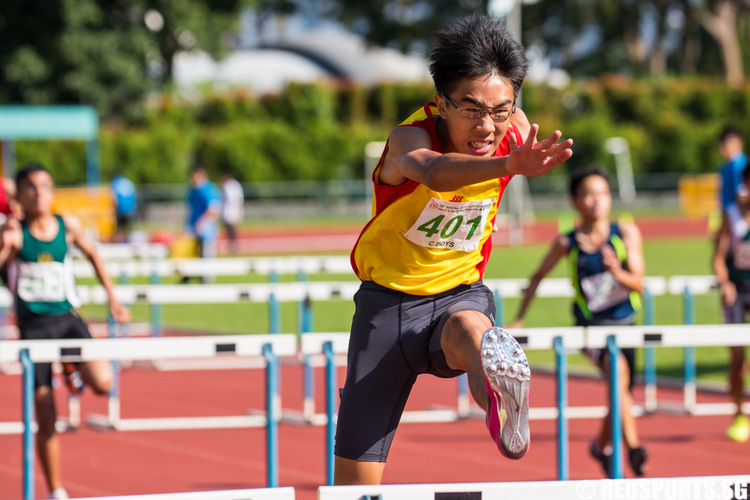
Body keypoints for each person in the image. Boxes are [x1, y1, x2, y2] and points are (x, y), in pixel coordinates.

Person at [335, 15, 574, 485]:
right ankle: (489, 369)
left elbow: (513, 132)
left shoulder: (513, 131)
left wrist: (515, 151)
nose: (488, 126)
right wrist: (508, 163)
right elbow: (434, 171)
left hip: (458, 294)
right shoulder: (410, 138)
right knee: (353, 485)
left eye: (501, 109)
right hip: (384, 312)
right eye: (472, 109)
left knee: (471, 329)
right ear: (440, 103)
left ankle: (498, 389)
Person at [0, 162, 131, 500]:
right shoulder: (14, 233)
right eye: (30, 187)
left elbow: (94, 255)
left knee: (103, 383)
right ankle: (56, 490)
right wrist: (5, 246)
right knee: (46, 415)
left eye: (44, 186)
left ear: (52, 192)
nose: (38, 193)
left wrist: (113, 300)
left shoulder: (67, 226)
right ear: (20, 195)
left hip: (69, 319)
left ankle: (72, 368)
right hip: (34, 327)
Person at [507, 165, 647, 478]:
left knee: (620, 391)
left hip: (626, 325)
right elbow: (538, 276)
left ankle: (600, 446)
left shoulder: (625, 233)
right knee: (618, 375)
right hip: (592, 330)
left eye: (602, 193)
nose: (596, 200)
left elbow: (640, 283)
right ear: (575, 201)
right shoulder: (567, 242)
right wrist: (519, 317)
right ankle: (634, 448)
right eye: (588, 194)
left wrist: (617, 272)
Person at [712, 162, 750, 443]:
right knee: (737, 359)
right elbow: (718, 257)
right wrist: (725, 283)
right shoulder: (732, 214)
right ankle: (739, 414)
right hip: (737, 289)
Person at [183, 163, 221, 282]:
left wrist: (203, 223)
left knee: (206, 259)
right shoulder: (193, 190)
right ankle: (186, 278)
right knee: (189, 256)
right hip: (193, 230)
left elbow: (215, 209)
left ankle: (206, 283)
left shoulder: (209, 189)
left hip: (206, 231)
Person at [718, 126, 748, 211]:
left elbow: (742, 192)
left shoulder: (739, 164)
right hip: (729, 212)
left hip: (737, 214)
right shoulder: (726, 166)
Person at [220, 170, 244, 254]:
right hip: (230, 211)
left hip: (232, 211)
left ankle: (234, 247)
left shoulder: (229, 185)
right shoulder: (234, 185)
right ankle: (232, 247)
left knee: (233, 231)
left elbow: (236, 200)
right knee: (230, 231)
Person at [110, 173, 138, 243]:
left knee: (118, 227)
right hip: (130, 208)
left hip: (120, 208)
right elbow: (134, 195)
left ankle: (117, 240)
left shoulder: (115, 183)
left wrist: (113, 209)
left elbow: (114, 197)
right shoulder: (128, 183)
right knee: (127, 226)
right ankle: (127, 240)